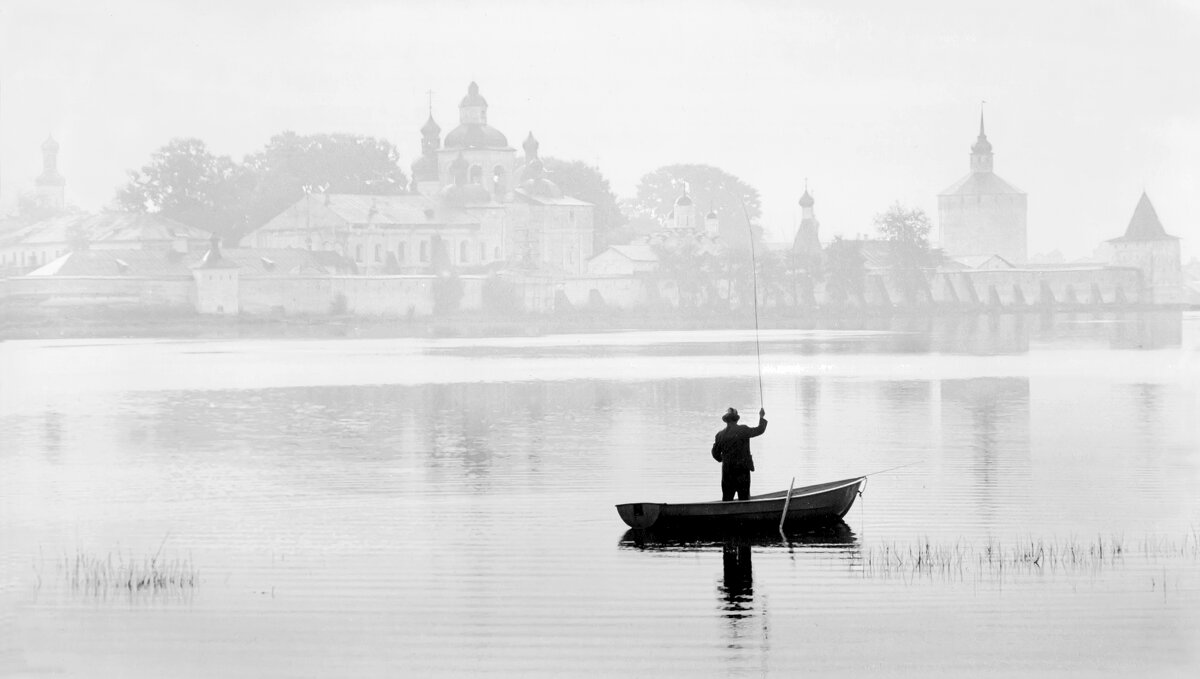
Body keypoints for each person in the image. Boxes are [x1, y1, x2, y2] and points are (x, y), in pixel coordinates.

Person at [711, 407, 768, 501]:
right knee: (744, 499)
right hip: (743, 472)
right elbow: (760, 430)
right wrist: (761, 417)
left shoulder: (720, 435)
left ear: (726, 420)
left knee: (727, 499)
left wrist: (723, 459)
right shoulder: (743, 430)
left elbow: (715, 454)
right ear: (736, 419)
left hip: (727, 473)